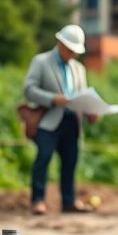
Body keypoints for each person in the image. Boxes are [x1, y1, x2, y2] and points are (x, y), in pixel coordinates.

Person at [23, 25, 99, 215]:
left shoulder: (79, 68)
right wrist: (52, 99)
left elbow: (82, 95)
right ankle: (38, 200)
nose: (73, 54)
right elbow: (29, 90)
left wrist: (91, 111)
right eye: (70, 50)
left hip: (72, 121)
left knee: (70, 161)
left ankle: (68, 201)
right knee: (44, 157)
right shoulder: (40, 62)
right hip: (48, 120)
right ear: (60, 43)